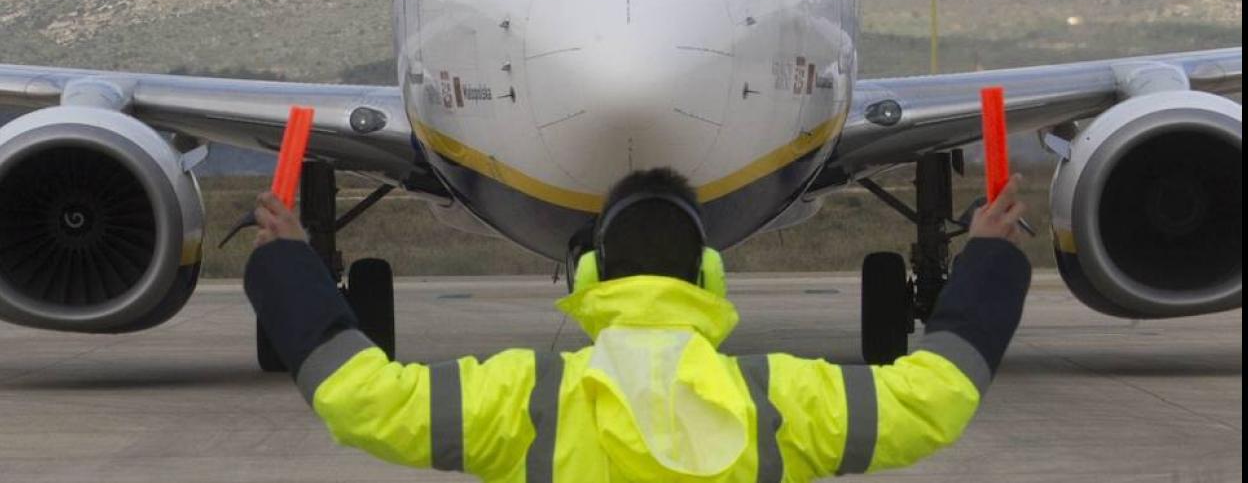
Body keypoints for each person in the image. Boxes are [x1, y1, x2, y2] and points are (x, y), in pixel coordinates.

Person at [244, 167, 1032, 482]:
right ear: (707, 277)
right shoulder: (780, 399)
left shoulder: (525, 398)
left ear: (591, 275)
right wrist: (988, 262)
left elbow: (359, 397)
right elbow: (938, 397)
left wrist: (289, 269)